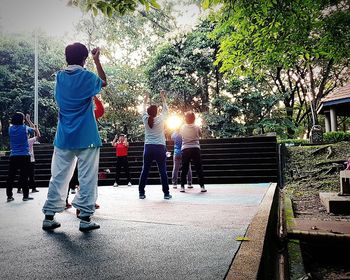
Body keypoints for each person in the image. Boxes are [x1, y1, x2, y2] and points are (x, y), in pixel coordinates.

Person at [42, 42, 107, 232]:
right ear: (84, 59)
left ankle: (49, 216)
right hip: (87, 135)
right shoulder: (87, 77)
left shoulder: (60, 77)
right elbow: (103, 82)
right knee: (87, 177)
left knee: (59, 176)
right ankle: (85, 219)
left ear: (66, 58)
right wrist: (97, 61)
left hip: (64, 136)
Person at [138, 91, 172, 200]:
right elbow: (166, 109)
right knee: (162, 171)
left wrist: (146, 98)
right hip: (159, 148)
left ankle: (141, 193)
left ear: (148, 112)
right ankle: (166, 193)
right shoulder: (161, 119)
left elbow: (142, 108)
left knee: (145, 170)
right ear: (157, 112)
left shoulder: (145, 119)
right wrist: (163, 97)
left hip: (148, 147)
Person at [6, 112, 39, 202]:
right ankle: (25, 196)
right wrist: (29, 121)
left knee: (11, 176)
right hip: (24, 155)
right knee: (24, 176)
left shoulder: (10, 129)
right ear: (22, 120)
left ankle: (9, 196)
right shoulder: (25, 128)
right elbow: (36, 131)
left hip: (13, 155)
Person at [180, 111, 207, 193]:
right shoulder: (197, 127)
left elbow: (181, 135)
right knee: (198, 168)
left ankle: (182, 187)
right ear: (194, 119)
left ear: (186, 119)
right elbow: (200, 135)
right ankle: (202, 186)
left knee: (184, 168)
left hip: (185, 148)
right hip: (195, 148)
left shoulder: (182, 127)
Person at [17, 114, 41, 194]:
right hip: (30, 159)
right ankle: (33, 188)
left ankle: (19, 188)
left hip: (22, 158)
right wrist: (34, 126)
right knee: (31, 175)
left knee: (22, 174)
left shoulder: (22, 140)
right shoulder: (30, 141)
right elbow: (38, 135)